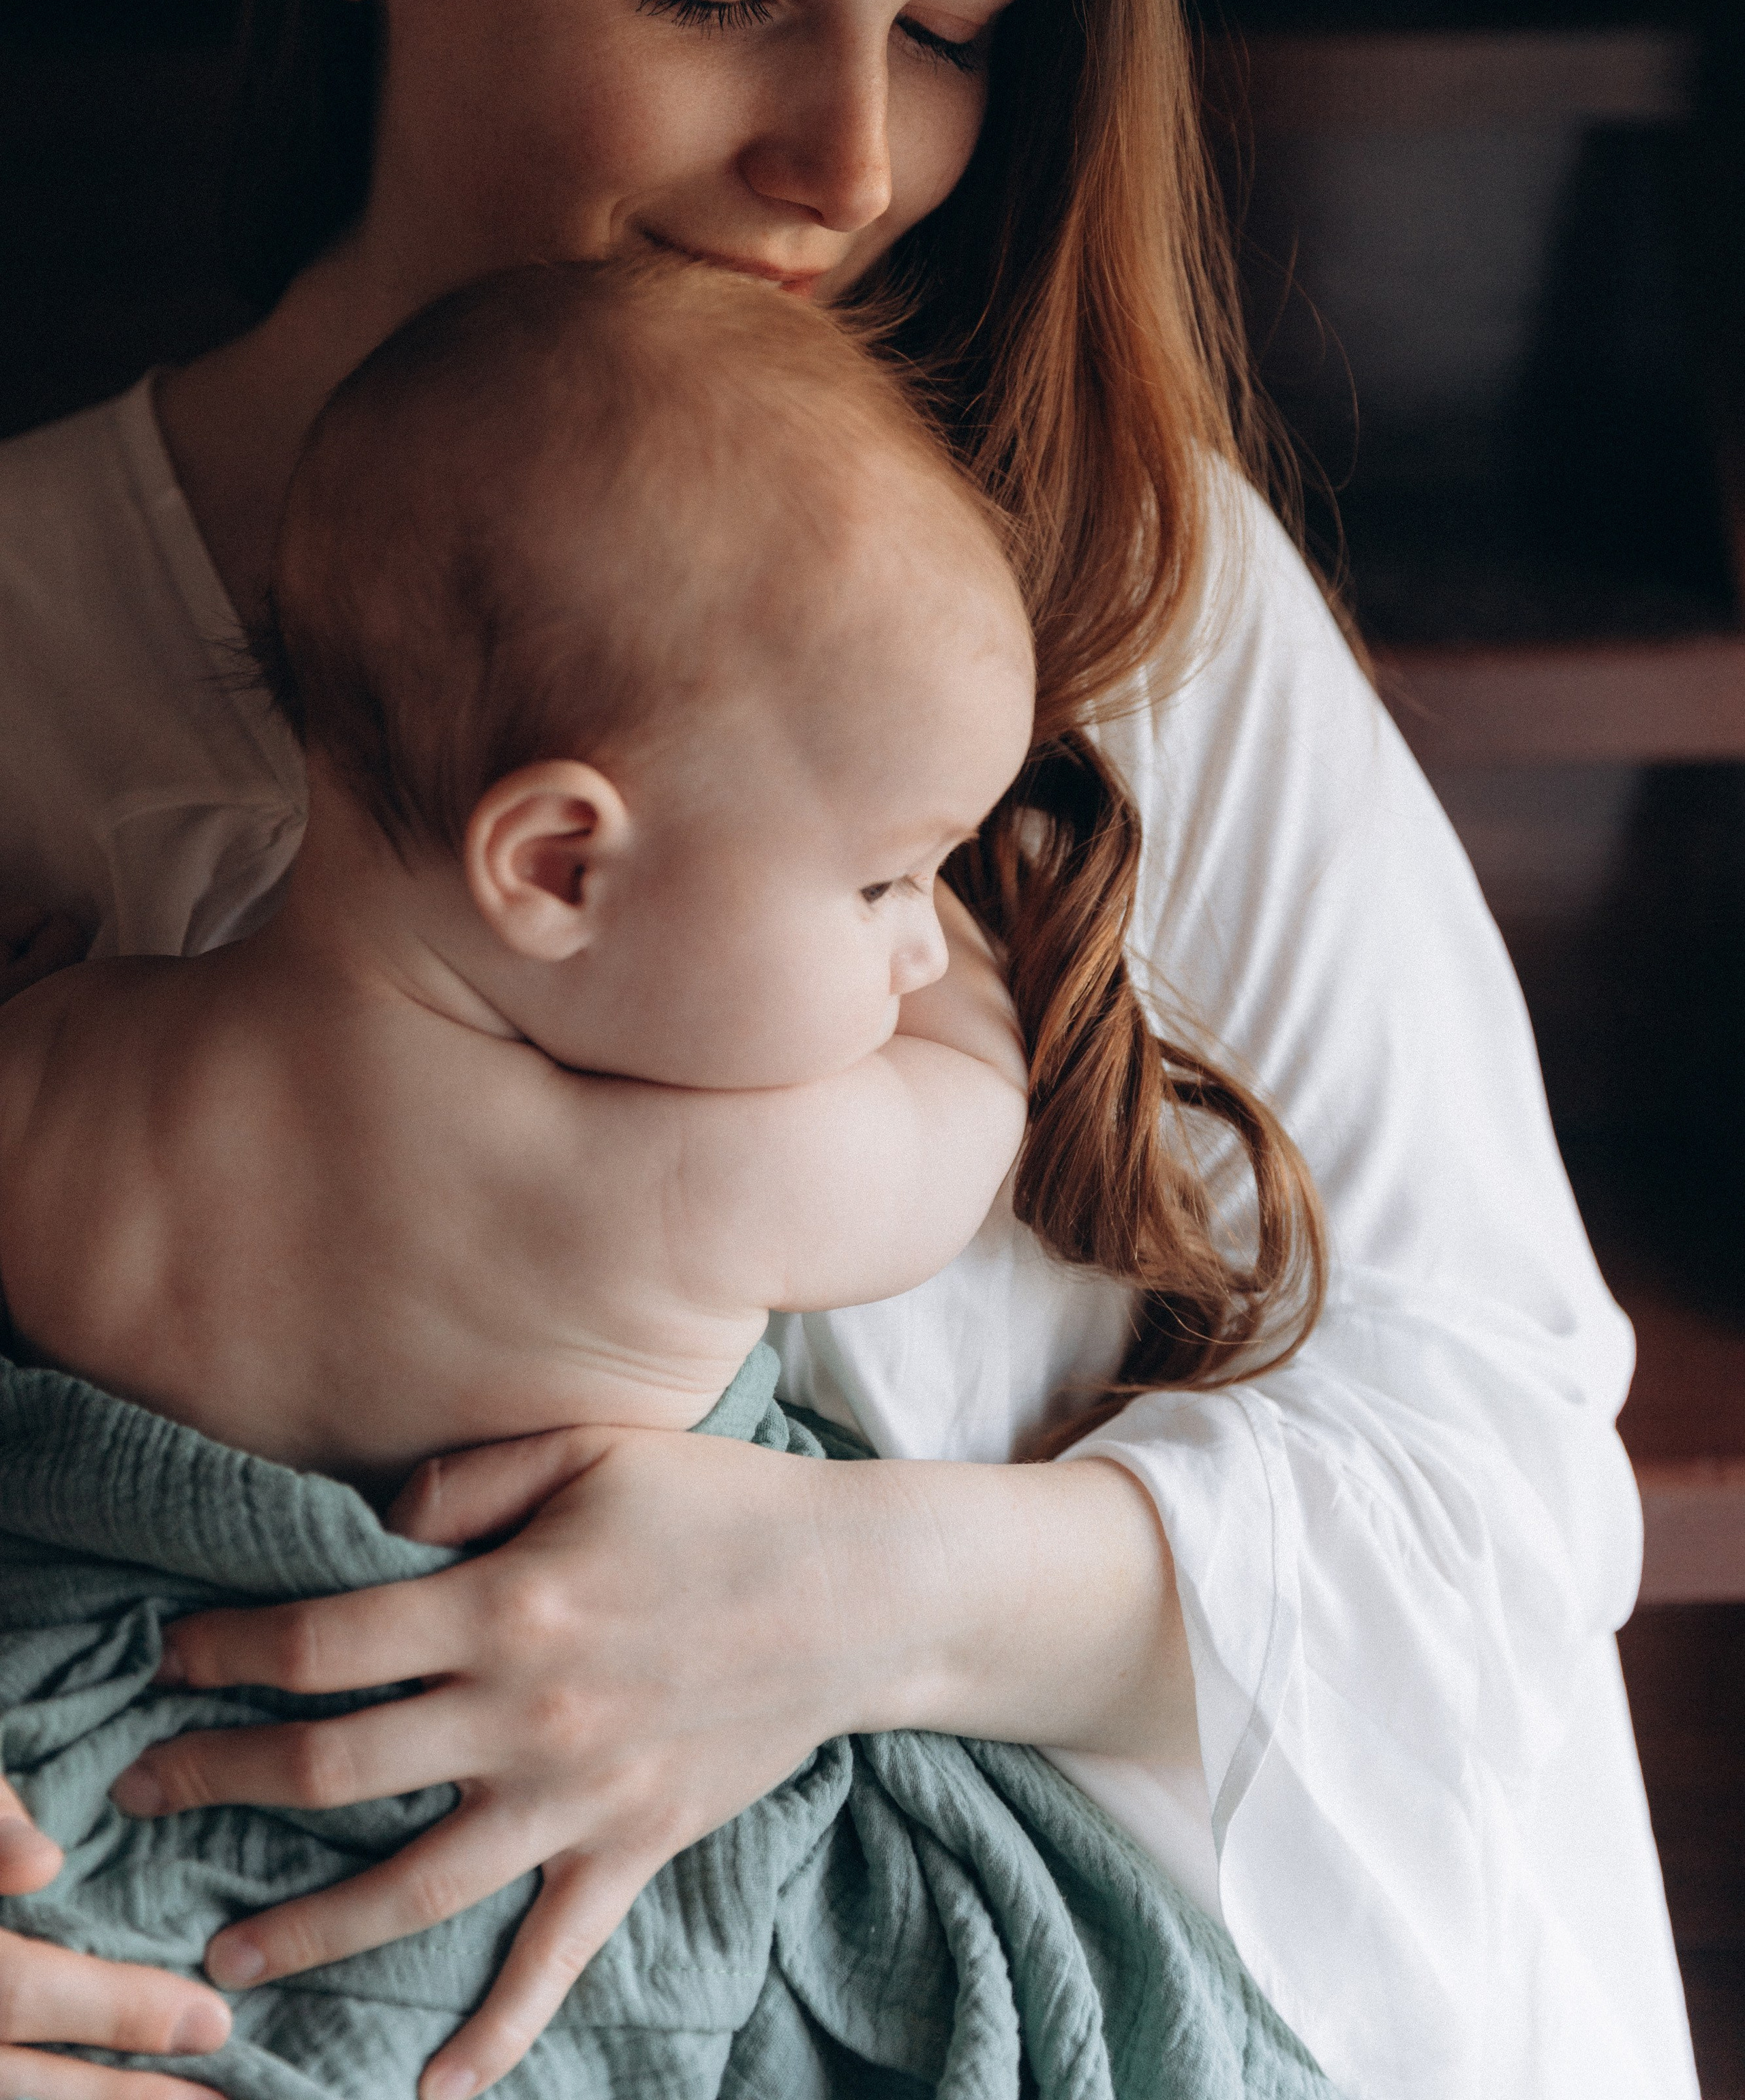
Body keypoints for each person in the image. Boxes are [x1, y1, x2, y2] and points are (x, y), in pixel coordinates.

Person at [0, 0, 1695, 2098]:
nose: (857, 166)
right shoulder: (29, 626)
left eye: (954, 26)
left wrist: (850, 1598)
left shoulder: (1110, 591)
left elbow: (1495, 1470)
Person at [0, 255, 1038, 1485]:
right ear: (557, 869)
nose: (917, 941)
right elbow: (975, 1111)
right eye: (888, 883)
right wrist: (973, 966)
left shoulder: (64, 1059)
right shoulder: (714, 1179)